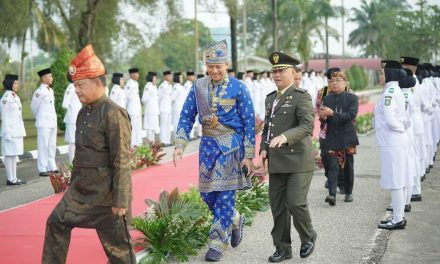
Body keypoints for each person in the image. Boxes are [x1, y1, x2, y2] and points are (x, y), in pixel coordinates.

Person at [42, 44, 135, 263]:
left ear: (97, 82)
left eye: (80, 85)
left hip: (107, 196)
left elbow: (121, 161)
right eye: (75, 86)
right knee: (56, 221)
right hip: (80, 193)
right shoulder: (84, 112)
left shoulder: (114, 113)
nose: (77, 90)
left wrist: (121, 200)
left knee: (119, 251)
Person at [173, 39, 255, 261]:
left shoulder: (239, 87)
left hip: (231, 147)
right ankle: (235, 218)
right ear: (206, 66)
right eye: (211, 66)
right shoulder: (198, 86)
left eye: (218, 66)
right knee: (207, 194)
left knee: (225, 195)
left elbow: (249, 123)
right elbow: (186, 115)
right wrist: (180, 143)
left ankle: (217, 244)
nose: (215, 70)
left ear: (226, 64)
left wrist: (249, 156)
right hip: (208, 148)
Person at [260, 52, 317, 262]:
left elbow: (307, 126)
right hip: (277, 161)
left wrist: (285, 136)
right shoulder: (271, 99)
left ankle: (309, 236)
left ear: (293, 73)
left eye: (281, 70)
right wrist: (263, 148)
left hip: (298, 161)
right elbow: (267, 128)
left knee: (295, 203)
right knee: (278, 209)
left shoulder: (301, 96)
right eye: (274, 71)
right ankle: (283, 248)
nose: (276, 74)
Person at [375, 60, 412, 230]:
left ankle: (397, 219)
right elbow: (404, 115)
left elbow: (390, 120)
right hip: (398, 141)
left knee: (396, 182)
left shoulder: (389, 91)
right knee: (400, 180)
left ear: (389, 74)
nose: (380, 76)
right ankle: (399, 216)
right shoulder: (396, 89)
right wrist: (402, 127)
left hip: (392, 142)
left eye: (382, 73)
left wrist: (398, 128)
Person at [319, 71, 359, 205]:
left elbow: (350, 116)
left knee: (348, 166)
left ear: (345, 83)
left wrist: (332, 114)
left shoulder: (352, 98)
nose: (334, 83)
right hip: (332, 136)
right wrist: (323, 117)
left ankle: (348, 192)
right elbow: (323, 119)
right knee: (332, 166)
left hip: (347, 136)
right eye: (332, 81)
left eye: (338, 80)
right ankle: (332, 195)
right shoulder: (327, 99)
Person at [400, 57, 424, 202]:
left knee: (412, 157)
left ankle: (414, 190)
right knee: (412, 157)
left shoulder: (412, 83)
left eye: (403, 66)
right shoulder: (411, 81)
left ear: (409, 67)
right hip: (413, 123)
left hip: (412, 124)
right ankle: (413, 190)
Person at [31, 68, 58, 177]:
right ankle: (42, 168)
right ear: (43, 78)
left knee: (51, 145)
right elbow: (33, 107)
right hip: (43, 123)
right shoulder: (39, 92)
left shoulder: (50, 91)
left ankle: (52, 166)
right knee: (43, 145)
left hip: (52, 122)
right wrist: (39, 117)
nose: (52, 78)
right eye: (50, 76)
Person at [0, 74, 26, 185]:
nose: (17, 85)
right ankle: (10, 178)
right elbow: (4, 116)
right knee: (8, 154)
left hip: (16, 130)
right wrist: (6, 132)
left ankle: (14, 178)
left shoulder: (15, 96)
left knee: (14, 154)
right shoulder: (6, 98)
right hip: (9, 131)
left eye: (17, 83)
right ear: (10, 84)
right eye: (15, 83)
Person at [62, 73, 82, 163]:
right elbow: (65, 104)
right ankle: (71, 164)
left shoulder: (76, 87)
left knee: (76, 142)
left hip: (77, 118)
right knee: (72, 142)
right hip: (72, 119)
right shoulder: (71, 88)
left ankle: (76, 162)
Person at [125, 67, 143, 147]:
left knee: (137, 127)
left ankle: (138, 143)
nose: (138, 75)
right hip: (131, 109)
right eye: (136, 73)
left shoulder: (136, 83)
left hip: (136, 109)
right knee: (132, 128)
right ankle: (132, 145)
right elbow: (125, 96)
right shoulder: (129, 84)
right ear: (132, 74)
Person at [141, 71, 159, 143]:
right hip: (149, 109)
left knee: (153, 127)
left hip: (154, 110)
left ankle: (152, 142)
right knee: (149, 127)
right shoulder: (148, 86)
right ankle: (149, 143)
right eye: (154, 78)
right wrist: (149, 103)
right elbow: (144, 99)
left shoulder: (154, 86)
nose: (155, 79)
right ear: (151, 78)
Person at [158, 70, 173, 146]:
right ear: (165, 77)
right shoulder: (162, 86)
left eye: (171, 76)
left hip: (169, 108)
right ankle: (162, 141)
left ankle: (167, 140)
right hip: (163, 108)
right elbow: (158, 97)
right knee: (163, 125)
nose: (171, 77)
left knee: (168, 125)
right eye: (169, 76)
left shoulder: (170, 86)